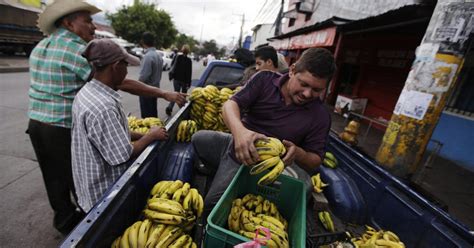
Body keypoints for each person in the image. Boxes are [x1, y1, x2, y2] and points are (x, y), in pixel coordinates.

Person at [27, 0, 185, 235]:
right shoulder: (75, 50)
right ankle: (86, 226)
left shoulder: (43, 45)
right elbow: (117, 81)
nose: (93, 26)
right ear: (69, 23)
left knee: (54, 179)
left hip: (37, 124)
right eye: (87, 20)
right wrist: (163, 93)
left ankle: (65, 220)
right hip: (60, 126)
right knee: (82, 175)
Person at [192, 48, 336, 218]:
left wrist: (297, 153)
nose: (307, 94)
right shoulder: (264, 79)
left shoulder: (320, 116)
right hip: (238, 153)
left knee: (213, 208)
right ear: (292, 70)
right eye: (303, 84)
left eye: (317, 90)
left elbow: (315, 161)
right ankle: (222, 166)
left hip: (272, 169)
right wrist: (240, 134)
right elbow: (230, 105)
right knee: (198, 138)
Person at [72, 39, 169, 212]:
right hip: (105, 196)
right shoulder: (103, 107)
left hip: (88, 185)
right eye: (126, 66)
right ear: (116, 66)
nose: (127, 71)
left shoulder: (87, 92)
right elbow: (124, 155)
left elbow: (113, 135)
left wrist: (143, 134)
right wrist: (150, 136)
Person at [138, 32, 163, 118]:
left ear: (143, 42)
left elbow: (143, 76)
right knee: (153, 114)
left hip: (146, 91)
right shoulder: (158, 55)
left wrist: (136, 85)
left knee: (147, 117)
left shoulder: (148, 56)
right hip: (155, 89)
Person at [166, 45, 192, 116]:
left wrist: (172, 76)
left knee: (175, 94)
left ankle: (170, 107)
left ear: (182, 50)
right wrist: (189, 83)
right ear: (188, 52)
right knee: (183, 96)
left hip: (176, 80)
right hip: (184, 81)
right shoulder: (189, 60)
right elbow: (189, 73)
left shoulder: (178, 57)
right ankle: (183, 111)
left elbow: (173, 66)